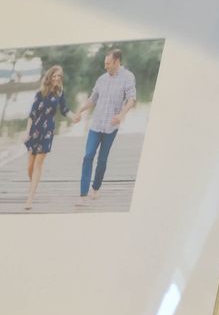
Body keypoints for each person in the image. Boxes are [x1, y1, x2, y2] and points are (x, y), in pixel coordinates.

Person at [75, 47, 137, 200]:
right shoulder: (101, 79)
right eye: (105, 63)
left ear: (116, 62)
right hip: (96, 124)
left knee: (102, 160)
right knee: (88, 156)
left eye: (108, 63)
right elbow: (93, 99)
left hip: (111, 126)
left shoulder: (128, 77)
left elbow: (131, 99)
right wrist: (80, 110)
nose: (105, 66)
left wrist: (121, 115)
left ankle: (96, 188)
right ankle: (83, 193)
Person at [22, 64, 66, 210]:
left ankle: (30, 198)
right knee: (29, 166)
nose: (57, 78)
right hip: (35, 130)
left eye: (59, 76)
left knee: (38, 165)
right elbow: (32, 114)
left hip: (47, 132)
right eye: (54, 76)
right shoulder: (40, 93)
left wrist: (75, 116)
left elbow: (65, 109)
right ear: (49, 77)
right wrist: (27, 132)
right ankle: (32, 185)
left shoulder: (60, 93)